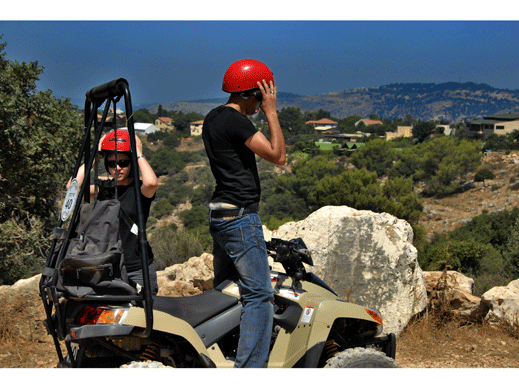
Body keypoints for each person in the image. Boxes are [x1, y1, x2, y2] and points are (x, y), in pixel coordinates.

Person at [202, 59, 286, 368]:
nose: (262, 103)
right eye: (261, 96)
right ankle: (250, 369)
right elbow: (277, 156)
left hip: (219, 214)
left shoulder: (212, 118)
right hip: (239, 217)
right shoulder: (237, 121)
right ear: (251, 94)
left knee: (226, 291)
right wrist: (272, 113)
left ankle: (222, 355)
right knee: (259, 295)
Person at [66, 129, 159, 294]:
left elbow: (151, 183)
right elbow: (72, 188)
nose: (118, 168)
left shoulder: (139, 191)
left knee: (141, 317)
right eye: (111, 163)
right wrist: (95, 156)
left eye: (123, 163)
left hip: (137, 268)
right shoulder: (104, 189)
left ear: (131, 163)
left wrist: (137, 152)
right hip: (109, 266)